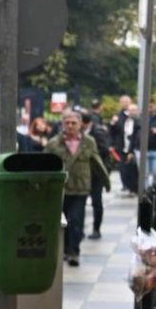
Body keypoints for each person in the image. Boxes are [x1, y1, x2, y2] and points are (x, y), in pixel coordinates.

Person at [46, 108, 110, 267]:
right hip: (60, 189)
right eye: (67, 123)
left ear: (81, 124)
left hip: (81, 187)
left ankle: (74, 252)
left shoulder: (89, 142)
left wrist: (105, 182)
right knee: (63, 222)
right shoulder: (54, 143)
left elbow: (96, 161)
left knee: (76, 220)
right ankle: (65, 249)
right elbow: (44, 163)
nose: (70, 126)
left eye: (73, 123)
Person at [85, 108, 113, 239]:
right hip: (82, 175)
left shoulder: (97, 133)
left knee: (96, 202)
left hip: (95, 174)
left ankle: (96, 229)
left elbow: (105, 151)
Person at [110, 98, 139, 194]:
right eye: (123, 102)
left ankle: (134, 186)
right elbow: (114, 132)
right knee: (123, 167)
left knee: (133, 167)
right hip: (122, 146)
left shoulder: (139, 120)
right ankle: (126, 185)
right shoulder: (119, 117)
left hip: (134, 147)